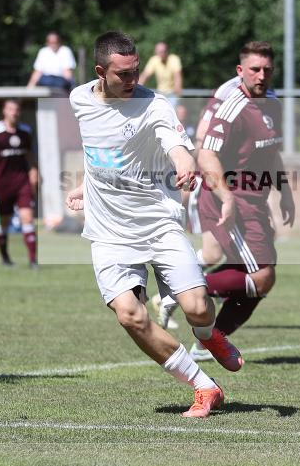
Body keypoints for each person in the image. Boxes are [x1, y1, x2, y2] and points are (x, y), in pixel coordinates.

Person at [66, 31, 243, 418]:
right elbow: (102, 152)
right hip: (109, 233)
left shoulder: (154, 105)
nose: (133, 79)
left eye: (136, 70)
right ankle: (204, 386)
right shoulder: (79, 99)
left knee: (197, 308)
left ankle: (207, 333)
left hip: (159, 224)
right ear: (100, 72)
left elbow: (177, 147)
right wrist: (87, 185)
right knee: (130, 315)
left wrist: (184, 164)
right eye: (123, 74)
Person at [184, 41, 295, 361]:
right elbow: (206, 154)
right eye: (254, 69)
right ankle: (184, 290)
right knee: (261, 276)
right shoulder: (231, 106)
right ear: (240, 71)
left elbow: (272, 153)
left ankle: (206, 341)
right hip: (231, 199)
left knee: (260, 279)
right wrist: (227, 198)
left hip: (254, 200)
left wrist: (285, 191)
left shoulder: (273, 104)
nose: (261, 76)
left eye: (267, 70)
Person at [0, 99, 39, 267]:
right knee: (3, 221)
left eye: (17, 109)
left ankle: (33, 260)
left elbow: (29, 154)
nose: (14, 113)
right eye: (11, 109)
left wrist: (34, 170)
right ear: (4, 111)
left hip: (22, 182)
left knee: (27, 217)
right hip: (2, 183)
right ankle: (5, 258)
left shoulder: (25, 131)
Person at [139, 41, 183, 106]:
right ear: (156, 52)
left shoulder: (174, 59)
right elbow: (145, 75)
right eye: (160, 52)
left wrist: (178, 94)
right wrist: (137, 87)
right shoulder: (154, 60)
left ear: (167, 51)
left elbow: (177, 76)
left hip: (172, 94)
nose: (162, 53)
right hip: (160, 93)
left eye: (164, 51)